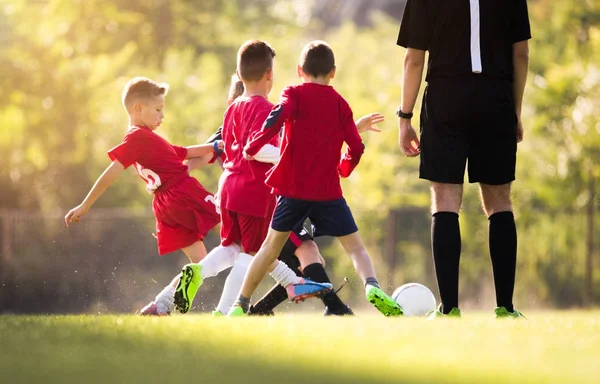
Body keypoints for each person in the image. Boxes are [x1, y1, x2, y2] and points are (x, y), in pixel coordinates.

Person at [228, 40, 404, 317]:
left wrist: (253, 144)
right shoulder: (340, 104)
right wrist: (344, 169)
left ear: (300, 70)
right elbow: (356, 146)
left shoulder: (293, 94)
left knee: (268, 250)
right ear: (333, 72)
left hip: (292, 191)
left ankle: (241, 304)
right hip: (328, 193)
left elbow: (275, 118)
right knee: (356, 248)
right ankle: (372, 287)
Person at [173, 40, 334, 316]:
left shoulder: (233, 108)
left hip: (229, 190)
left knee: (231, 249)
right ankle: (224, 312)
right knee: (249, 256)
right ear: (270, 75)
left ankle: (197, 272)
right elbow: (256, 150)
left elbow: (229, 147)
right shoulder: (263, 107)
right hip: (253, 194)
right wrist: (288, 155)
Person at [396, 0, 530, 318]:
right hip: (495, 98)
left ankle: (450, 308)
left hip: (445, 97)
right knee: (499, 201)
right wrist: (515, 110)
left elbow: (414, 59)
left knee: (444, 198)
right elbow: (521, 54)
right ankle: (506, 308)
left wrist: (405, 117)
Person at [64, 77, 227, 309]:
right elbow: (110, 174)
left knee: (201, 263)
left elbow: (183, 152)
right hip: (182, 193)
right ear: (138, 109)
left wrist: (214, 146)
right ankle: (249, 293)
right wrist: (85, 205)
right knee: (238, 223)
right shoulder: (137, 138)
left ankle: (159, 306)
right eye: (158, 109)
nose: (162, 115)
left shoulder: (145, 139)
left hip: (164, 205)